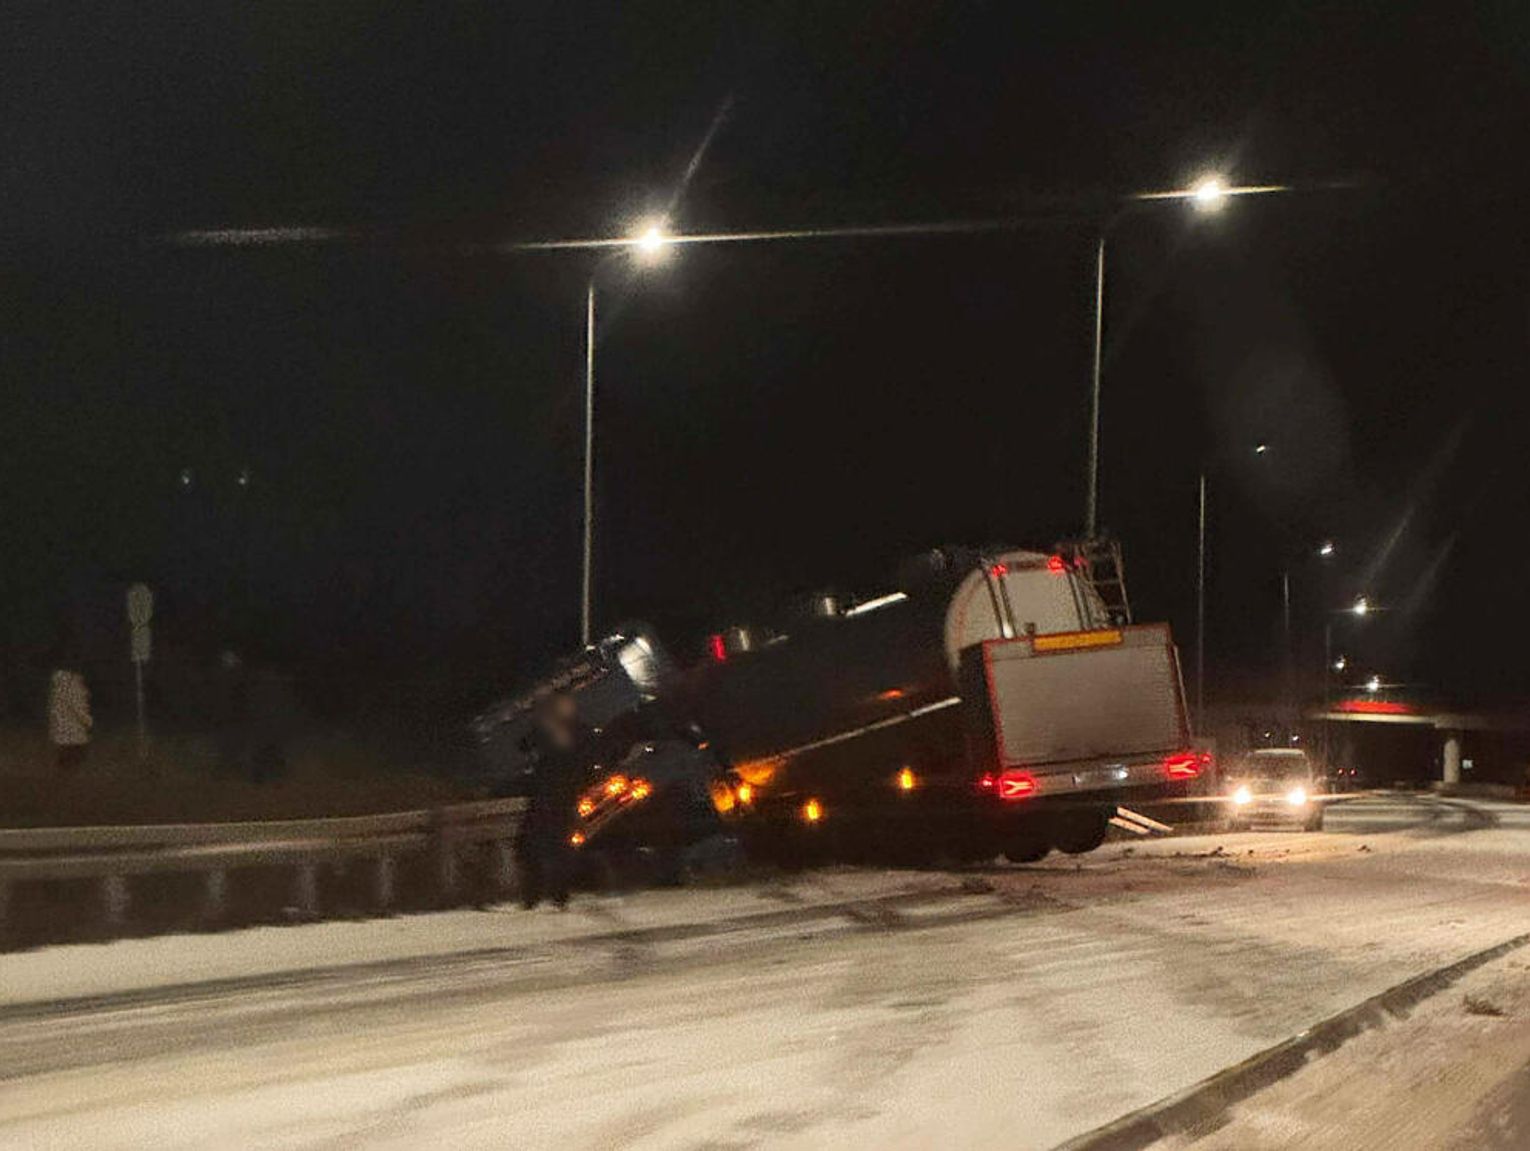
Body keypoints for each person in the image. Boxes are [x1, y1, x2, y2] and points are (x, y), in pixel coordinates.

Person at [516, 692, 589, 910]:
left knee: (558, 848)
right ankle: (533, 896)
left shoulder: (578, 731)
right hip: (542, 796)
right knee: (529, 847)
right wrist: (542, 727)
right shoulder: (544, 730)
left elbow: (582, 757)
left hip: (562, 798)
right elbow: (523, 745)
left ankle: (558, 896)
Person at [48, 652, 93, 771]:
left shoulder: (58, 685)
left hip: (61, 731)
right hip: (73, 732)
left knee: (64, 762)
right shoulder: (72, 684)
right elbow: (77, 706)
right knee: (73, 761)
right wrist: (88, 722)